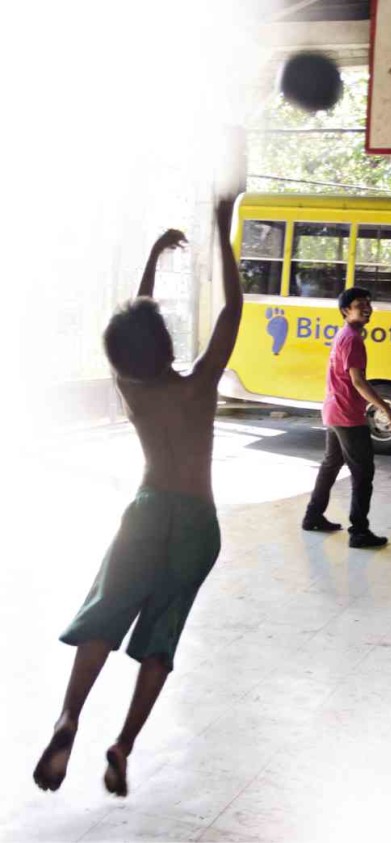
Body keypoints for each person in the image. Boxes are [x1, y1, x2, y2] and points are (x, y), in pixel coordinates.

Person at [33, 197, 242, 798]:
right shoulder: (199, 386)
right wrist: (222, 229)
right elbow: (234, 308)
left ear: (122, 355)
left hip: (146, 513)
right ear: (167, 345)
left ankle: (68, 717)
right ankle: (123, 744)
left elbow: (133, 326)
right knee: (162, 636)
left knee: (106, 614)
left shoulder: (131, 386)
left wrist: (152, 257)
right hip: (197, 524)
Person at [302, 286, 391, 548]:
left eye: (369, 303)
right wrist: (386, 408)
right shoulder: (353, 339)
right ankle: (359, 531)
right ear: (346, 311)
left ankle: (312, 516)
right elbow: (358, 381)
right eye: (360, 304)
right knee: (362, 472)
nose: (367, 308)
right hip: (347, 415)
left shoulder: (344, 335)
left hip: (334, 411)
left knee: (331, 464)